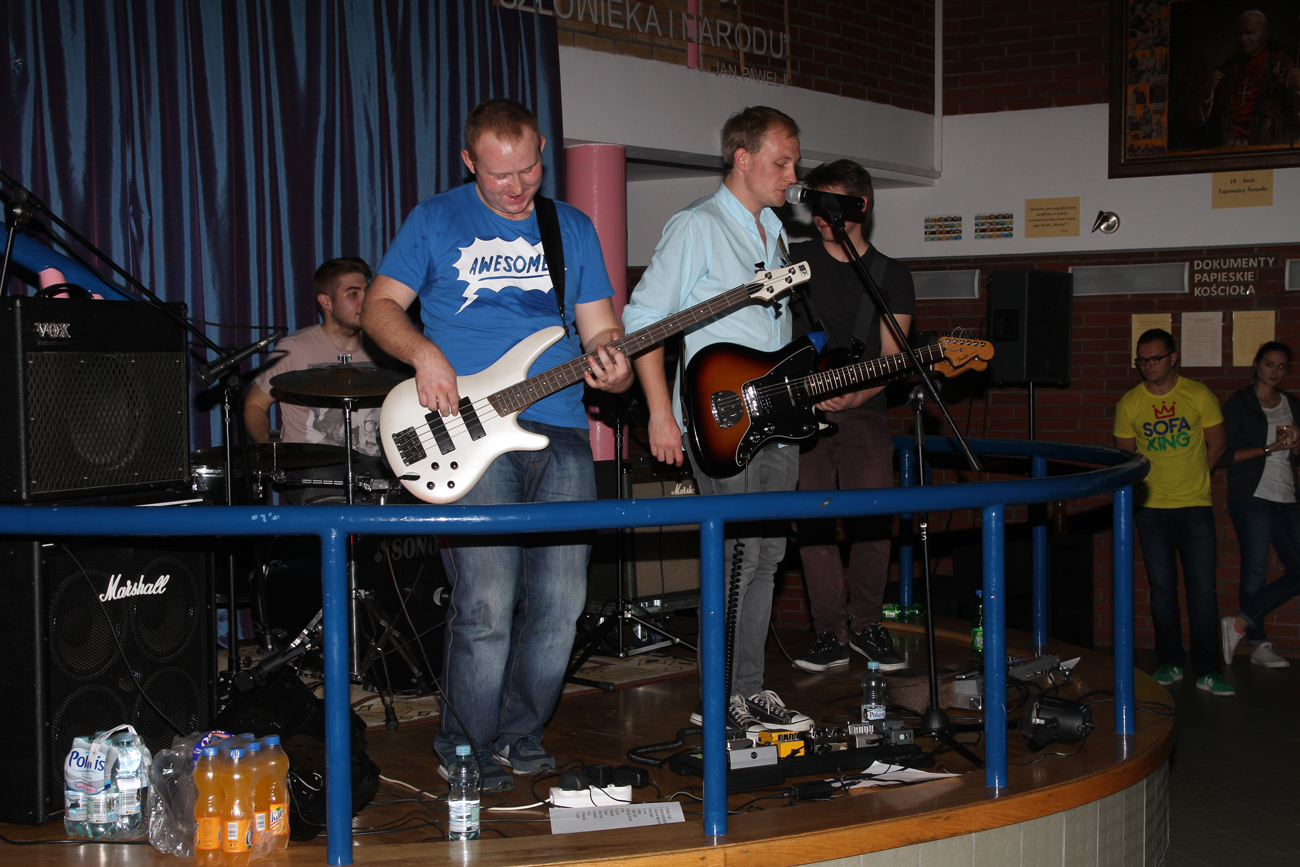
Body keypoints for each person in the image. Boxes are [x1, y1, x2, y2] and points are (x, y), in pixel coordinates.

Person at [359, 98, 632, 793]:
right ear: (468, 162)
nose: (517, 187)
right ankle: (464, 746)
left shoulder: (570, 227)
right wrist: (424, 353)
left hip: (560, 427)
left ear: (542, 153)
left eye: (530, 169)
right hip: (468, 430)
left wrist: (616, 364)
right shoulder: (435, 219)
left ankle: (519, 733)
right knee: (485, 604)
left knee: (562, 604)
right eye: (500, 175)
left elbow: (600, 328)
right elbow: (378, 307)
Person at [621, 106, 812, 733]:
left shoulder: (774, 232)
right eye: (782, 162)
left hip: (776, 417)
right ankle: (718, 696)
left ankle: (748, 691)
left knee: (767, 555)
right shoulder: (697, 226)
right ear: (743, 157)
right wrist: (660, 413)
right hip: (719, 418)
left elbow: (771, 334)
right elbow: (644, 319)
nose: (792, 175)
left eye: (794, 163)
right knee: (735, 557)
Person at [787, 160, 912, 674]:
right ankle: (829, 634)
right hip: (800, 412)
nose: (820, 214)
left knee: (874, 521)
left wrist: (857, 397)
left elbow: (893, 355)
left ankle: (867, 625)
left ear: (860, 206)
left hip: (866, 412)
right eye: (816, 203)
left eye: (831, 204)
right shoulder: (793, 259)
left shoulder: (891, 274)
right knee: (814, 524)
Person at [1114, 329, 1231, 695]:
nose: (1148, 365)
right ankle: (1169, 661)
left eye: (1155, 358)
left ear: (1173, 358)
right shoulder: (1130, 403)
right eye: (1142, 360)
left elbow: (1218, 444)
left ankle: (1209, 669)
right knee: (1162, 590)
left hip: (1195, 506)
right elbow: (1126, 459)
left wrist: (1197, 478)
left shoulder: (1198, 394)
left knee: (1202, 591)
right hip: (1151, 509)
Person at [244, 257, 390, 503]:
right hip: (310, 468)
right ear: (326, 301)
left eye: (367, 291)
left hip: (370, 465)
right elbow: (254, 405)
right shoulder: (294, 348)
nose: (365, 301)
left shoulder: (385, 349)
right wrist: (273, 453)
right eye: (353, 293)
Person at [1218, 341, 1300, 670]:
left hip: (1288, 497)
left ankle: (1237, 624)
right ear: (1256, 365)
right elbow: (1224, 455)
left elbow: (1295, 455)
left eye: (1282, 366)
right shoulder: (1240, 404)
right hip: (1253, 496)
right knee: (1255, 570)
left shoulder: (1293, 404)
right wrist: (1269, 449)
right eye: (1269, 364)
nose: (1275, 372)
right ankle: (1258, 643)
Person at [1187, 10, 1299, 148]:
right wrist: (1206, 92)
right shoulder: (1228, 68)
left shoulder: (1288, 63)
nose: (1243, 39)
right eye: (1239, 34)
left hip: (1269, 149)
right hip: (1227, 147)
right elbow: (1195, 117)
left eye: (1249, 33)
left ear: (1266, 33)